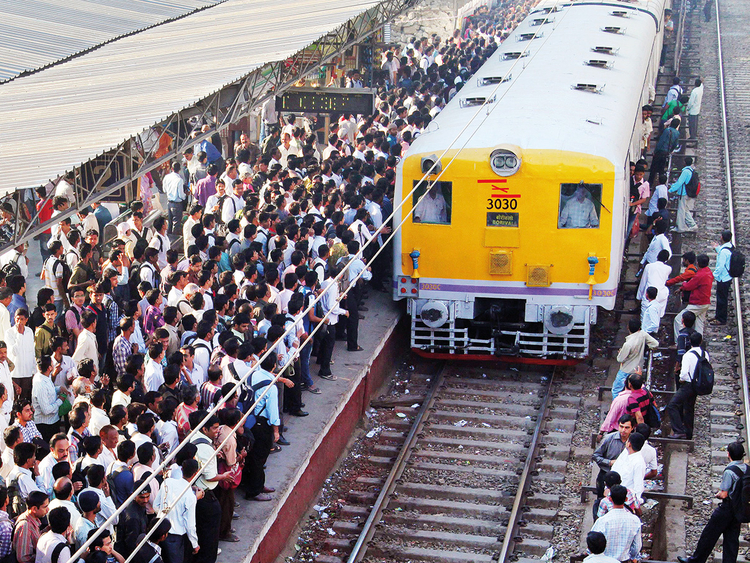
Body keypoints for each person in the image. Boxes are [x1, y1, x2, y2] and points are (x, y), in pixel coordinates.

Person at [678, 441, 745, 563]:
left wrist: (717, 494)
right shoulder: (747, 469)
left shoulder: (730, 470)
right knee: (731, 540)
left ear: (728, 454)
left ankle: (696, 560)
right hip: (739, 509)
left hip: (727, 508)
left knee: (709, 534)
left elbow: (724, 494)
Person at [154, 458, 200, 563]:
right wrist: (195, 544)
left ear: (182, 469)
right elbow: (190, 525)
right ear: (195, 473)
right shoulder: (190, 497)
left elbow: (156, 505)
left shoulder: (168, 482)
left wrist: (165, 515)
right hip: (175, 537)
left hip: (160, 530)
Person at [592, 415, 634, 516]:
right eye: (621, 426)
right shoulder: (609, 439)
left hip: (624, 477)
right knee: (601, 502)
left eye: (627, 427)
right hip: (606, 475)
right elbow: (596, 455)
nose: (623, 430)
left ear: (632, 428)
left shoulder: (633, 441)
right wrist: (609, 462)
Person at [667, 332, 707, 440]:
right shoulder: (705, 354)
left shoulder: (688, 355)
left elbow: (684, 374)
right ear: (701, 341)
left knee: (672, 405)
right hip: (698, 385)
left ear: (690, 342)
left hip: (688, 384)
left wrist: (681, 380)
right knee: (689, 408)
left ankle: (679, 431)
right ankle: (688, 433)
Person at [590, 485, 642, 562]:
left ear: (610, 499)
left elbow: (592, 541)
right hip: (624, 560)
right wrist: (633, 557)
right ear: (626, 499)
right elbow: (637, 546)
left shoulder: (602, 521)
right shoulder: (635, 520)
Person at [613, 319, 658, 399]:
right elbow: (655, 344)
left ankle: (618, 408)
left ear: (628, 327)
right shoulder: (643, 334)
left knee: (617, 390)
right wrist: (647, 347)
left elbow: (620, 359)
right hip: (637, 369)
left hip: (626, 370)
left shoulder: (628, 344)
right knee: (634, 391)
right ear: (639, 328)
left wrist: (620, 352)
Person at [673, 254, 713, 336]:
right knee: (699, 323)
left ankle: (679, 341)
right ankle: (698, 343)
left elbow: (688, 286)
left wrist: (683, 284)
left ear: (697, 263)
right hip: (705, 302)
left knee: (678, 319)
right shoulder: (708, 271)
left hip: (697, 303)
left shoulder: (699, 275)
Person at [31, 356, 64, 441]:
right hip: (45, 425)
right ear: (49, 368)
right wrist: (60, 401)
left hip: (53, 421)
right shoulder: (40, 384)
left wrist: (59, 388)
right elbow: (46, 410)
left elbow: (49, 391)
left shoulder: (45, 376)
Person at [13, 490, 50, 563]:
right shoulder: (25, 525)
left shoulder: (33, 519)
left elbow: (34, 537)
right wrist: (44, 556)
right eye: (45, 507)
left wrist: (47, 530)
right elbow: (23, 558)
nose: (47, 510)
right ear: (34, 509)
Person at [610, 432, 646, 502]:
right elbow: (615, 467)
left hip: (625, 498)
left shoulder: (639, 462)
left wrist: (636, 502)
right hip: (613, 490)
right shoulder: (625, 452)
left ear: (629, 444)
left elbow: (638, 485)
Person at [669, 157, 698, 233]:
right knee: (685, 210)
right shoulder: (691, 171)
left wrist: (670, 189)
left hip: (683, 193)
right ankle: (692, 225)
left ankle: (680, 227)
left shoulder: (685, 172)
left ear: (685, 163)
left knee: (681, 210)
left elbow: (679, 182)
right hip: (688, 193)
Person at [711, 230, 733, 326]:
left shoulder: (724, 252)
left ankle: (721, 319)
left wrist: (713, 276)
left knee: (721, 299)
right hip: (727, 277)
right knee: (722, 298)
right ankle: (718, 316)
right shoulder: (730, 247)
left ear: (721, 238)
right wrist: (717, 248)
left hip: (723, 278)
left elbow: (720, 266)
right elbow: (724, 252)